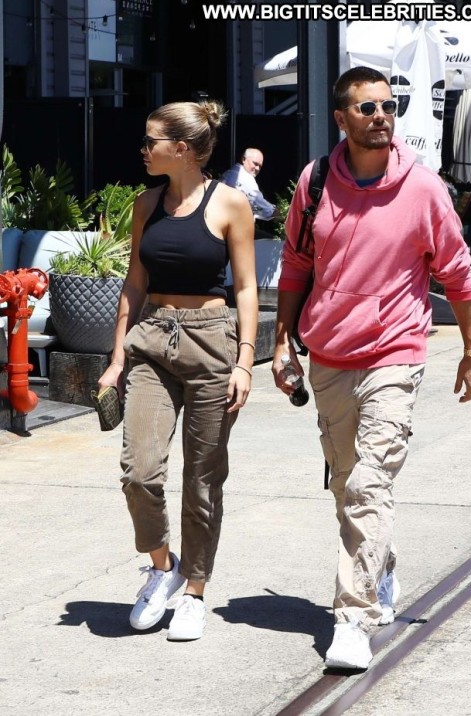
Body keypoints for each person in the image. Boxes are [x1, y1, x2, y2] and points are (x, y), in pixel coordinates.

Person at [272, 66, 471, 670]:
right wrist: (282, 340)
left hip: (395, 353)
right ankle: (380, 563)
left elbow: (457, 273)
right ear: (342, 118)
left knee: (370, 484)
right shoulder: (315, 181)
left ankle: (353, 617)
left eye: (389, 106)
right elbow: (296, 262)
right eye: (368, 108)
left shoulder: (423, 188)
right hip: (330, 356)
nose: (382, 117)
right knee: (347, 485)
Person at [98, 100, 258, 641]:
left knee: (203, 478)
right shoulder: (146, 204)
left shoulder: (230, 204)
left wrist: (244, 361)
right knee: (139, 472)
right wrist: (117, 359)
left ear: (183, 149)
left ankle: (194, 590)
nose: (143, 150)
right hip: (152, 339)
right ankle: (163, 566)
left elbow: (246, 288)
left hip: (212, 343)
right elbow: (134, 283)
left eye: (152, 141)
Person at [221, 148, 277, 221]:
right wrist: (282, 212)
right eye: (255, 163)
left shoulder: (230, 173)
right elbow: (259, 205)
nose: (257, 168)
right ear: (243, 159)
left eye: (260, 166)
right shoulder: (246, 178)